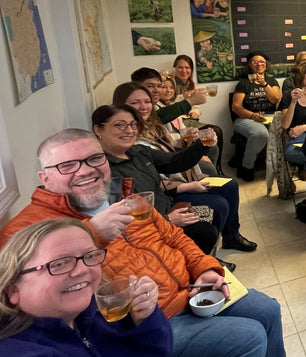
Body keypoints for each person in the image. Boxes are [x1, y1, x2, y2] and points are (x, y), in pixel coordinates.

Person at [0, 128, 285, 357]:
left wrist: (204, 268)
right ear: (44, 178)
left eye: (93, 159)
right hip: (149, 321)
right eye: (68, 165)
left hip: (190, 289)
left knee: (267, 309)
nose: (86, 170)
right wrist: (93, 234)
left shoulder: (127, 199)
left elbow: (176, 237)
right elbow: (10, 300)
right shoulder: (25, 230)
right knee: (249, 336)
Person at [0, 219, 170, 357]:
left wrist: (145, 320)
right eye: (59, 263)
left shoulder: (94, 312)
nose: (82, 269)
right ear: (12, 288)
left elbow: (156, 356)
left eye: (90, 256)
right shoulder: (16, 356)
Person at [113, 83, 255, 253]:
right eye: (135, 103)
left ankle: (231, 236)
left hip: (180, 181)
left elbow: (172, 159)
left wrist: (199, 143)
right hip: (171, 192)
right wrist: (184, 189)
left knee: (230, 185)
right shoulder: (128, 145)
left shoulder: (151, 127)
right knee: (220, 204)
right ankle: (209, 255)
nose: (143, 107)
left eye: (146, 101)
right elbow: (153, 185)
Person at [92, 104, 224, 254]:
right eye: (119, 125)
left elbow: (175, 162)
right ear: (98, 130)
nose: (129, 130)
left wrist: (201, 144)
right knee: (205, 231)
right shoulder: (105, 170)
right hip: (148, 230)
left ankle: (205, 261)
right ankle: (193, 267)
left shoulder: (139, 151)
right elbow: (122, 217)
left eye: (133, 124)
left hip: (168, 209)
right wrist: (167, 219)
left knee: (215, 213)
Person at [231, 50, 282, 181]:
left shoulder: (272, 81)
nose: (259, 64)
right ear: (249, 65)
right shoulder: (243, 83)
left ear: (266, 64)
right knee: (260, 134)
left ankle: (285, 166)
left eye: (262, 61)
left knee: (288, 127)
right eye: (254, 62)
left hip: (270, 117)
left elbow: (276, 99)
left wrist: (264, 84)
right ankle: (246, 167)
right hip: (246, 119)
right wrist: (253, 115)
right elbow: (236, 107)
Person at [131, 67, 206, 125]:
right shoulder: (133, 108)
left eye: (159, 86)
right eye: (150, 86)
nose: (156, 90)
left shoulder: (154, 105)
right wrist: (191, 101)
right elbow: (158, 117)